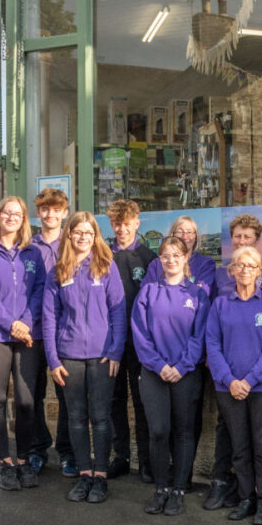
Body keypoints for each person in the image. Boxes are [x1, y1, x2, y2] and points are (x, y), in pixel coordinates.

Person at [42, 211, 127, 504]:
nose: (82, 237)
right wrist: (53, 359)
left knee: (100, 418)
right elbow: (49, 317)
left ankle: (100, 477)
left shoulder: (106, 266)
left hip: (103, 356)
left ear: (95, 237)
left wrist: (116, 350)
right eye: (77, 232)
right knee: (76, 418)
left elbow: (118, 310)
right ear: (69, 235)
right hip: (70, 356)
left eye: (88, 233)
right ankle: (84, 475)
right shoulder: (58, 270)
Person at [131, 236, 210, 515]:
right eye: (166, 255)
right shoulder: (149, 292)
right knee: (159, 432)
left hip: (185, 373)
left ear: (186, 257)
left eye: (177, 255)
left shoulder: (197, 294)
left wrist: (181, 366)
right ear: (160, 259)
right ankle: (161, 488)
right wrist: (159, 365)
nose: (171, 260)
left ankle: (178, 490)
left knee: (184, 432)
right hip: (154, 372)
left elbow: (200, 336)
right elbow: (140, 335)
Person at [0, 196, 44, 491]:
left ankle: (24, 459)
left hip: (27, 336)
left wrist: (25, 322)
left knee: (27, 401)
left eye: (17, 213)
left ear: (24, 219)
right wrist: (11, 324)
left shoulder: (33, 253)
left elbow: (40, 290)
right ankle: (6, 463)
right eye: (6, 212)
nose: (11, 217)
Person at [205, 246, 262, 525]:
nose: (246, 270)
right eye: (240, 265)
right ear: (232, 270)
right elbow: (212, 345)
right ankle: (245, 497)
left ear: (260, 271)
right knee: (239, 447)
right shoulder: (220, 305)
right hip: (229, 388)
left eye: (252, 266)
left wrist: (249, 380)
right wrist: (230, 380)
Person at [204, 212, 262, 512]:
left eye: (247, 237)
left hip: (257, 372)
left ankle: (255, 493)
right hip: (224, 370)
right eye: (237, 237)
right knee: (226, 429)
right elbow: (211, 321)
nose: (241, 241)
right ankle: (224, 484)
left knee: (255, 437)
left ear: (256, 241)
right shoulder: (220, 275)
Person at [107, 199, 156, 482]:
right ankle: (121, 457)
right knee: (115, 400)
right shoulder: (103, 255)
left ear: (137, 223)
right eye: (116, 224)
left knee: (141, 402)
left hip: (139, 343)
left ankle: (146, 461)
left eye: (126, 223)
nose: (121, 229)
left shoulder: (149, 258)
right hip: (112, 342)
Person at [27, 187, 70, 476]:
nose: (50, 214)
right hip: (34, 333)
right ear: (38, 211)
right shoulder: (27, 247)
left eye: (56, 209)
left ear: (64, 212)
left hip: (65, 333)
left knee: (67, 396)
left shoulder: (74, 243)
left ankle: (67, 452)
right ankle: (37, 448)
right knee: (31, 395)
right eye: (45, 209)